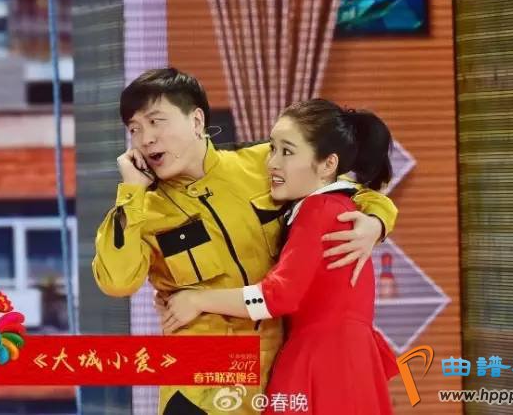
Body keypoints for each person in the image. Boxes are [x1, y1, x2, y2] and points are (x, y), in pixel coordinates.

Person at [92, 68, 398, 415]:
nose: (145, 139)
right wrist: (131, 194)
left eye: (155, 121)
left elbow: (349, 191)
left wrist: (376, 223)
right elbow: (117, 282)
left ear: (196, 121)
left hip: (279, 373)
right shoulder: (143, 210)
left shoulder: (264, 164)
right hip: (202, 385)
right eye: (134, 129)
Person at [162, 99, 399, 414]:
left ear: (328, 165)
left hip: (324, 362)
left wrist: (197, 300)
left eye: (287, 152)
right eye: (272, 148)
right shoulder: (333, 206)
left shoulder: (318, 210)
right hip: (341, 360)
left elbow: (277, 297)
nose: (272, 162)